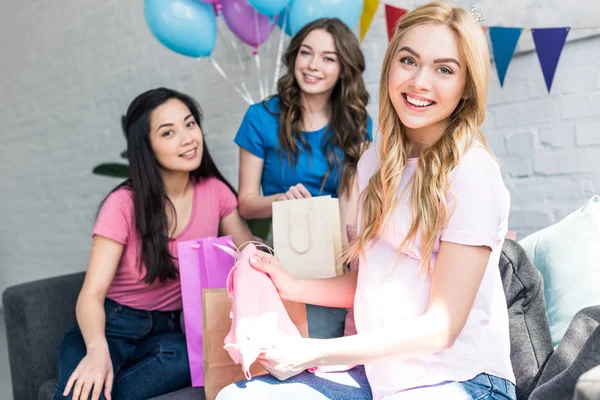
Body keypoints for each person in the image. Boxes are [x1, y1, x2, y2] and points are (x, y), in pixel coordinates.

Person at [217, 2, 516, 399]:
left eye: (444, 69)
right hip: (383, 376)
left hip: (464, 379)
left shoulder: (472, 171)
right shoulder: (376, 160)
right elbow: (373, 280)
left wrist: (314, 352)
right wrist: (292, 284)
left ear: (467, 87)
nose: (420, 82)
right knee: (238, 396)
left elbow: (441, 328)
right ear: (390, 65)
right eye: (409, 60)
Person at [53, 88, 254, 400]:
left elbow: (250, 253)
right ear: (146, 146)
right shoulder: (123, 204)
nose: (187, 138)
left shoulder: (214, 191)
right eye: (168, 132)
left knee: (192, 360)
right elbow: (91, 294)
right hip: (112, 326)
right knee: (81, 392)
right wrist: (96, 350)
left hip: (170, 334)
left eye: (190, 124)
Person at [235, 17, 373, 340]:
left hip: (343, 250)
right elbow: (246, 204)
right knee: (305, 339)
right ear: (294, 56)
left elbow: (356, 194)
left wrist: (349, 257)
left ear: (344, 68)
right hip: (289, 251)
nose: (313, 66)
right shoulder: (260, 118)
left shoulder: (356, 121)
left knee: (349, 338)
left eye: (328, 58)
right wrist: (280, 200)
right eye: (306, 53)